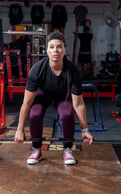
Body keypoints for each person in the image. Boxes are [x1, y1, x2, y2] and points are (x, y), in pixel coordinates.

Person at [14, 31, 93, 165]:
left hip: (62, 96)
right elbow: (27, 103)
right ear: (47, 50)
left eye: (59, 46)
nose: (55, 50)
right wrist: (20, 129)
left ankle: (67, 149)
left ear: (64, 50)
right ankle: (37, 149)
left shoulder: (73, 71)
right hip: (43, 95)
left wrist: (84, 129)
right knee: (35, 114)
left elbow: (78, 104)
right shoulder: (37, 70)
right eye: (51, 47)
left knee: (68, 114)